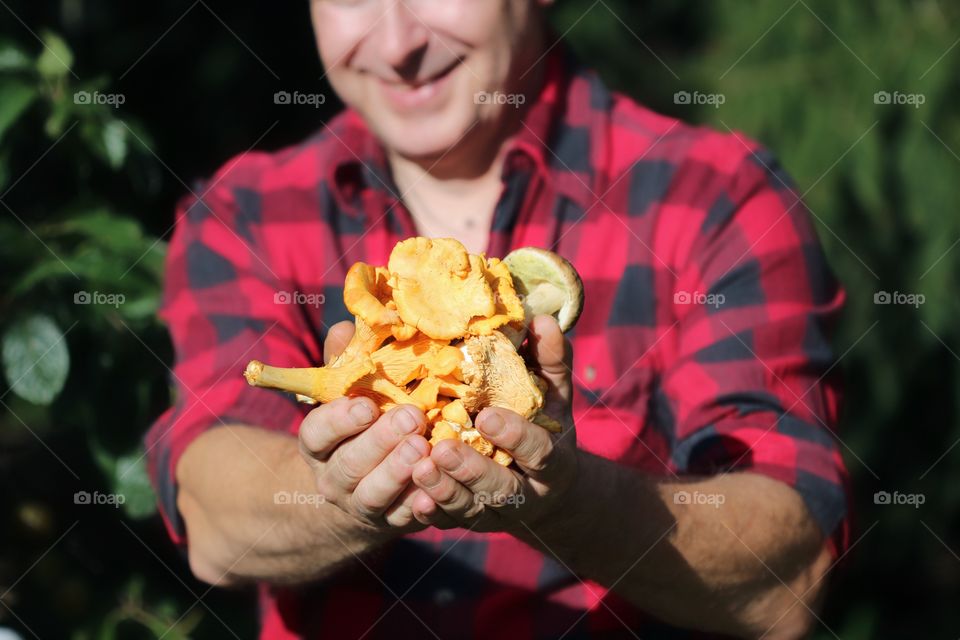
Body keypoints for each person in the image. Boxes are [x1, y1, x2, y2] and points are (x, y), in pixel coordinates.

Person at [146, 1, 849, 638]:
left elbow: (787, 570)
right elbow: (210, 513)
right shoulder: (243, 214)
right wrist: (341, 496)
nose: (396, 45)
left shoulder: (718, 199)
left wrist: (571, 504)